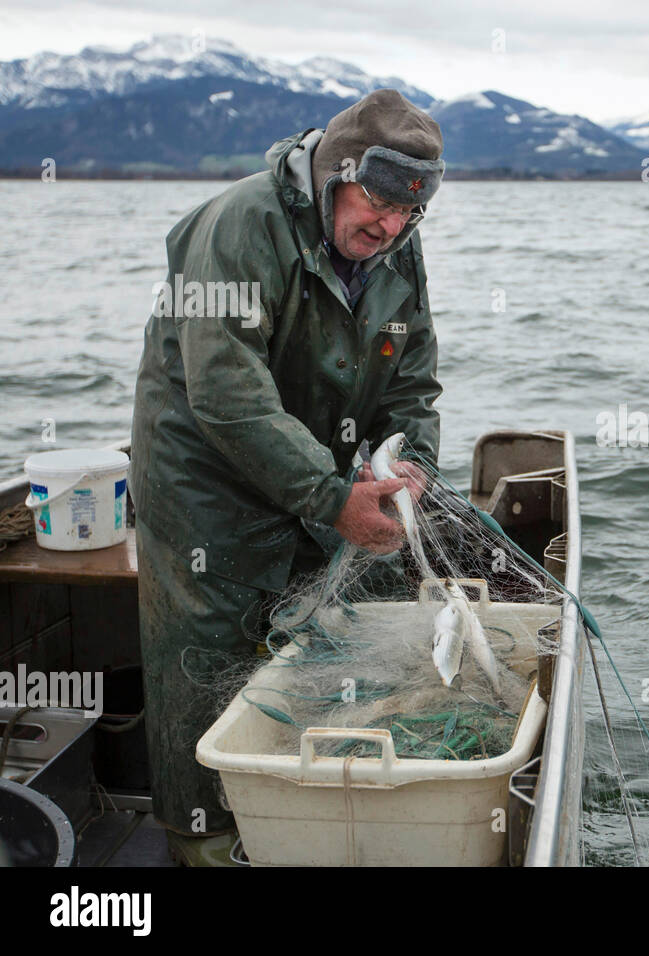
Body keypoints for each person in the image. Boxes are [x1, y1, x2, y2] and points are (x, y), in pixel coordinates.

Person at [128, 89, 445, 864]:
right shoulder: (242, 225)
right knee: (204, 654)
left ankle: (300, 817)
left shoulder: (396, 246)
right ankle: (202, 841)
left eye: (410, 211)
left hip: (311, 466)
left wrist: (411, 464)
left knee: (312, 640)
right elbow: (226, 393)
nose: (389, 226)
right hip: (203, 474)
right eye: (376, 200)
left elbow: (413, 382)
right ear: (334, 172)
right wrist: (333, 498)